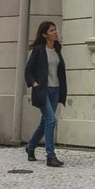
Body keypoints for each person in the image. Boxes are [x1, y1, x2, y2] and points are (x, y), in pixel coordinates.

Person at [24, 20, 67, 167]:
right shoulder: (39, 50)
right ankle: (50, 156)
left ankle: (30, 146)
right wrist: (34, 83)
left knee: (45, 122)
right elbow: (28, 70)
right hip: (43, 90)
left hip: (55, 89)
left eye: (55, 30)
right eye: (52, 31)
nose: (55, 32)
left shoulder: (57, 48)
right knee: (50, 120)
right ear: (44, 34)